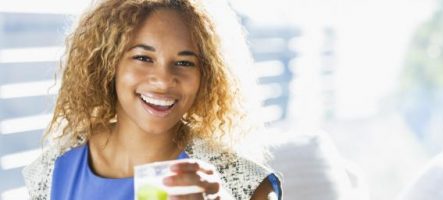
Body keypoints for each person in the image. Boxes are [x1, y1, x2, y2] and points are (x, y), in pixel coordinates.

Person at [22, 0, 282, 199]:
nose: (164, 80)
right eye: (143, 58)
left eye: (184, 62)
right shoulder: (53, 170)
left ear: (208, 76)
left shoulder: (246, 186)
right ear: (109, 64)